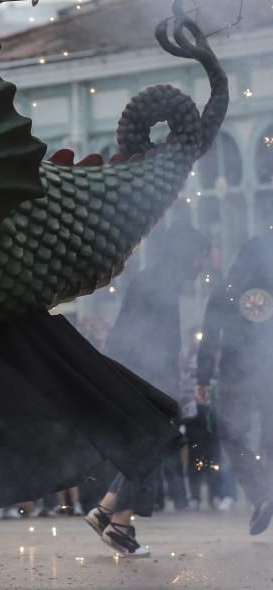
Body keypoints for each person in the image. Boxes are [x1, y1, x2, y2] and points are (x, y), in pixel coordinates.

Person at [86, 224, 210, 555]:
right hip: (146, 376)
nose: (202, 264)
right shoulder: (163, 283)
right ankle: (120, 525)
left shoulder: (155, 278)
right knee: (152, 447)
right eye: (200, 257)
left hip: (133, 373)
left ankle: (106, 510)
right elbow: (157, 343)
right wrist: (170, 387)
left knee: (147, 446)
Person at [196, 230, 273, 535]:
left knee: (231, 433)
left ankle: (260, 492)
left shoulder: (225, 288)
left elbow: (210, 336)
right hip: (269, 370)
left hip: (234, 373)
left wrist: (203, 377)